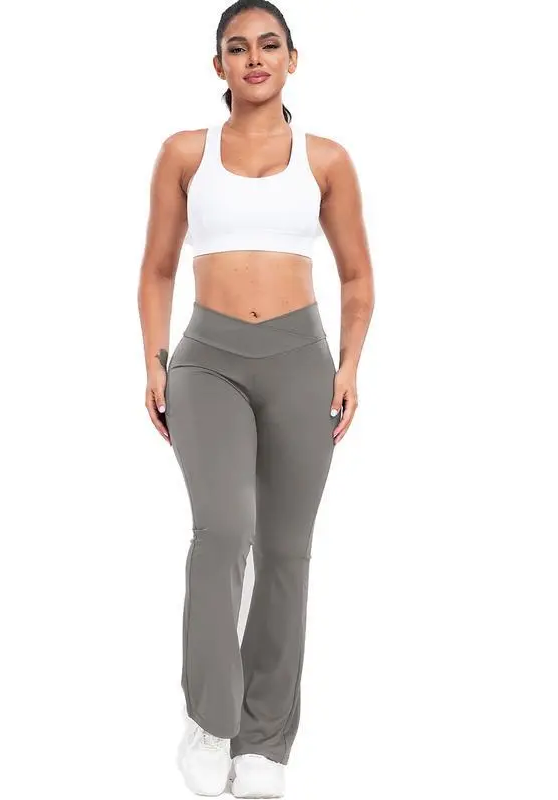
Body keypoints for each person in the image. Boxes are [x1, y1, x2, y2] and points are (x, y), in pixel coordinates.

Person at [137, 1, 374, 795]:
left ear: (292, 59)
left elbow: (357, 278)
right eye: (237, 48)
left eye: (269, 45)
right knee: (223, 531)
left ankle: (264, 741)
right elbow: (157, 269)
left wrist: (350, 365)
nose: (254, 58)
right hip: (208, 362)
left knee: (285, 549)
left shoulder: (328, 159)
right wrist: (155, 362)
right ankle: (211, 720)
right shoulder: (184, 153)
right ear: (220, 67)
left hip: (301, 361)